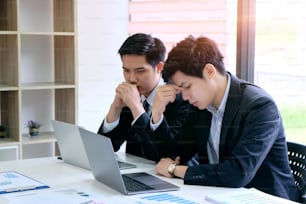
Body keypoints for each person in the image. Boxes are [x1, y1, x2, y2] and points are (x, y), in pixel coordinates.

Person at [154, 35, 299, 202]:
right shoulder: (201, 107)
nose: (184, 96)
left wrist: (174, 169)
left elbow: (237, 174)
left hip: (265, 198)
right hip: (220, 196)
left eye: (187, 87)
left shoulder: (259, 106)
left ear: (209, 72)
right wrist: (157, 114)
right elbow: (173, 154)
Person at [97, 33, 191, 162]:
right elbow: (104, 149)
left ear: (159, 67)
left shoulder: (181, 98)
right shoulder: (131, 95)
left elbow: (168, 156)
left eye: (140, 71)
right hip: (134, 174)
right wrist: (115, 108)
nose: (132, 78)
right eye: (126, 70)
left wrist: (137, 108)